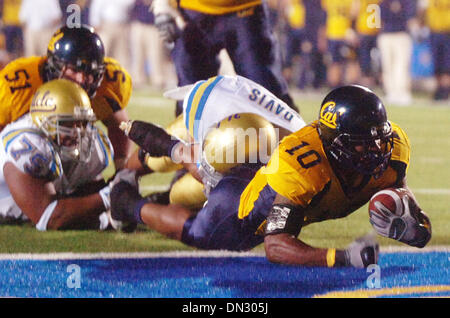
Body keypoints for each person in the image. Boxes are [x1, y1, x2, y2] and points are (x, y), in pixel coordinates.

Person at [110, 82, 432, 268]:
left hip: (270, 161)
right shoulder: (303, 167)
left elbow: (398, 189)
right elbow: (276, 246)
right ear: (336, 144)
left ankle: (172, 164)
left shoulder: (392, 147)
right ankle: (128, 204)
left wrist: (414, 226)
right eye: (364, 144)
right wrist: (340, 257)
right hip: (248, 201)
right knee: (205, 233)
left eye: (380, 138)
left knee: (199, 174)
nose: (377, 149)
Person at [0, 25, 133, 171]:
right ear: (55, 66)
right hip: (20, 159)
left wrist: (122, 167)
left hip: (70, 158)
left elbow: (119, 125)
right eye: (75, 70)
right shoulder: (18, 84)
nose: (82, 79)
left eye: (90, 72)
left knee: (94, 146)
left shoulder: (108, 84)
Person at [0, 79, 119, 230]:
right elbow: (50, 218)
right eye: (68, 123)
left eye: (81, 122)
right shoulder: (25, 144)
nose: (77, 132)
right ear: (45, 121)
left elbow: (89, 195)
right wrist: (110, 197)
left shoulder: (86, 140)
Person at [152, 0, 297, 116]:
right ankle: (188, 147)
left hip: (245, 9)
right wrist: (162, 5)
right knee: (191, 94)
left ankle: (293, 144)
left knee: (265, 88)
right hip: (193, 11)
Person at [377, 0, 417, 105]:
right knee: (387, 65)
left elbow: (411, 18)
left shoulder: (407, 2)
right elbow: (379, 19)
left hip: (401, 34)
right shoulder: (384, 2)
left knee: (401, 65)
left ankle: (402, 92)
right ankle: (391, 92)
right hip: (386, 35)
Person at [418, 0, 450, 101]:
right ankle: (439, 90)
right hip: (434, 32)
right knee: (437, 65)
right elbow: (422, 11)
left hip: (447, 32)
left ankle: (445, 90)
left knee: (446, 65)